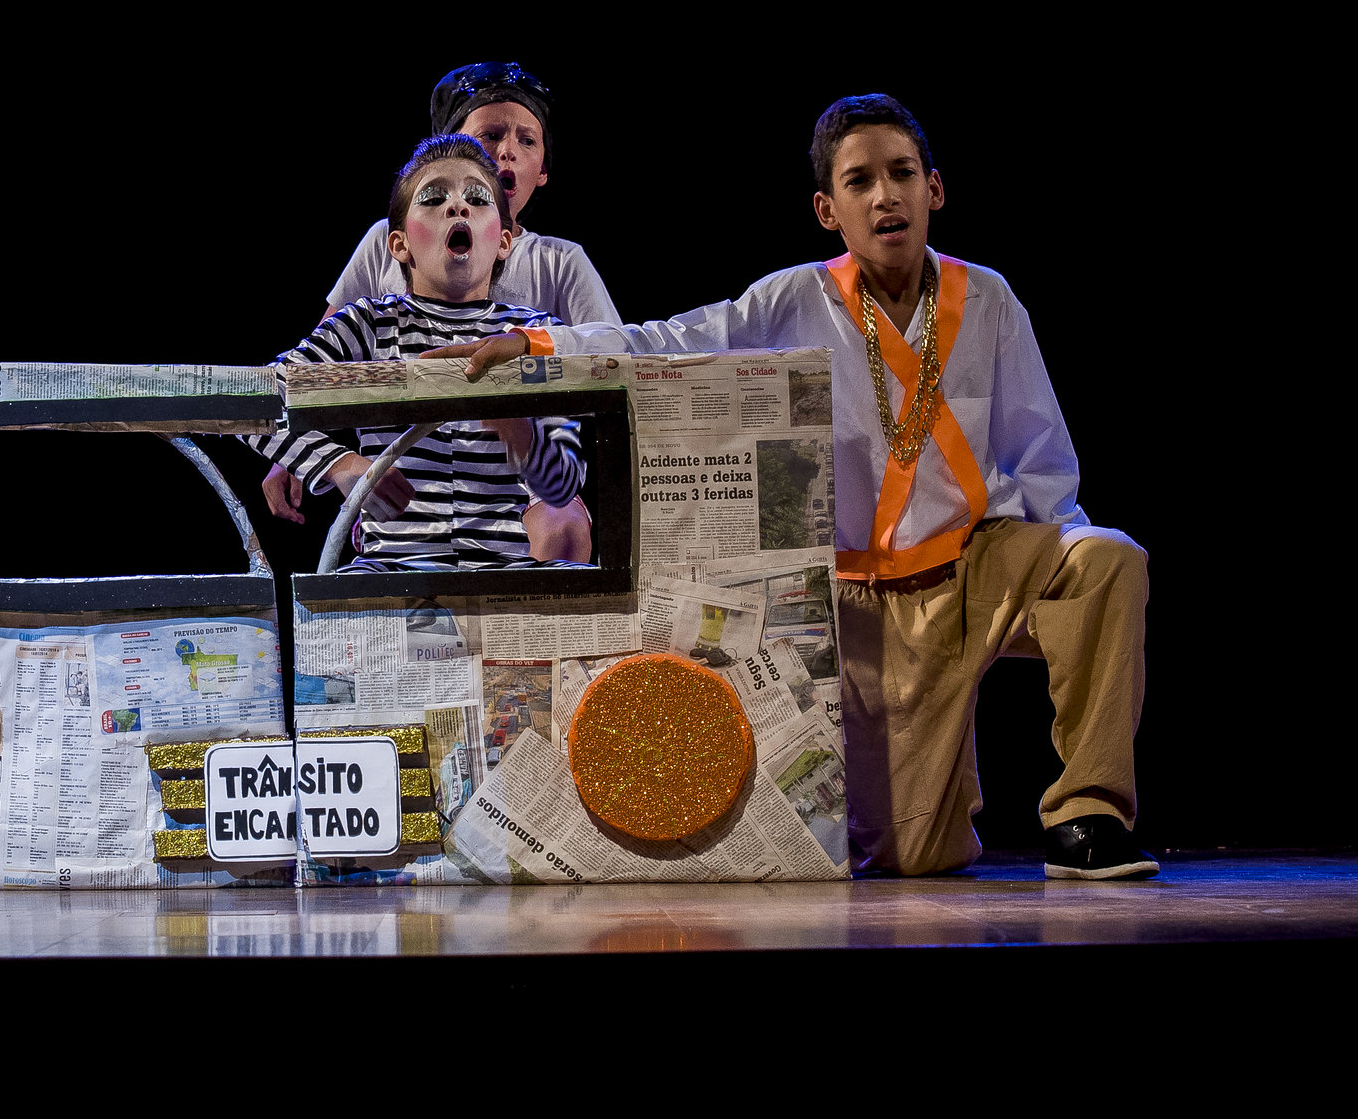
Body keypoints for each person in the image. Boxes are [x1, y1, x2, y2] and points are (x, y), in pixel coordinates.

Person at [432, 94, 1154, 880]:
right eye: (860, 181)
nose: (886, 196)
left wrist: (1060, 572)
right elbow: (669, 340)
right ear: (827, 209)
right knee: (916, 855)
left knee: (1105, 561)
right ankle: (947, 781)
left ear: (934, 189)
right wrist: (539, 344)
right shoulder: (793, 299)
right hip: (864, 604)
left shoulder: (988, 300)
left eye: (902, 173)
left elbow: (1042, 457)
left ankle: (1088, 814)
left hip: (976, 566)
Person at [263, 62, 611, 562]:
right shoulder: (369, 322)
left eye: (477, 197)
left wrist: (525, 437)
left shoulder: (538, 332)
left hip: (503, 567)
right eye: (434, 197)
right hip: (392, 565)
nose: (458, 207)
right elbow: (270, 392)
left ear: (505, 240)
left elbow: (570, 465)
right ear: (397, 244)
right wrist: (336, 463)